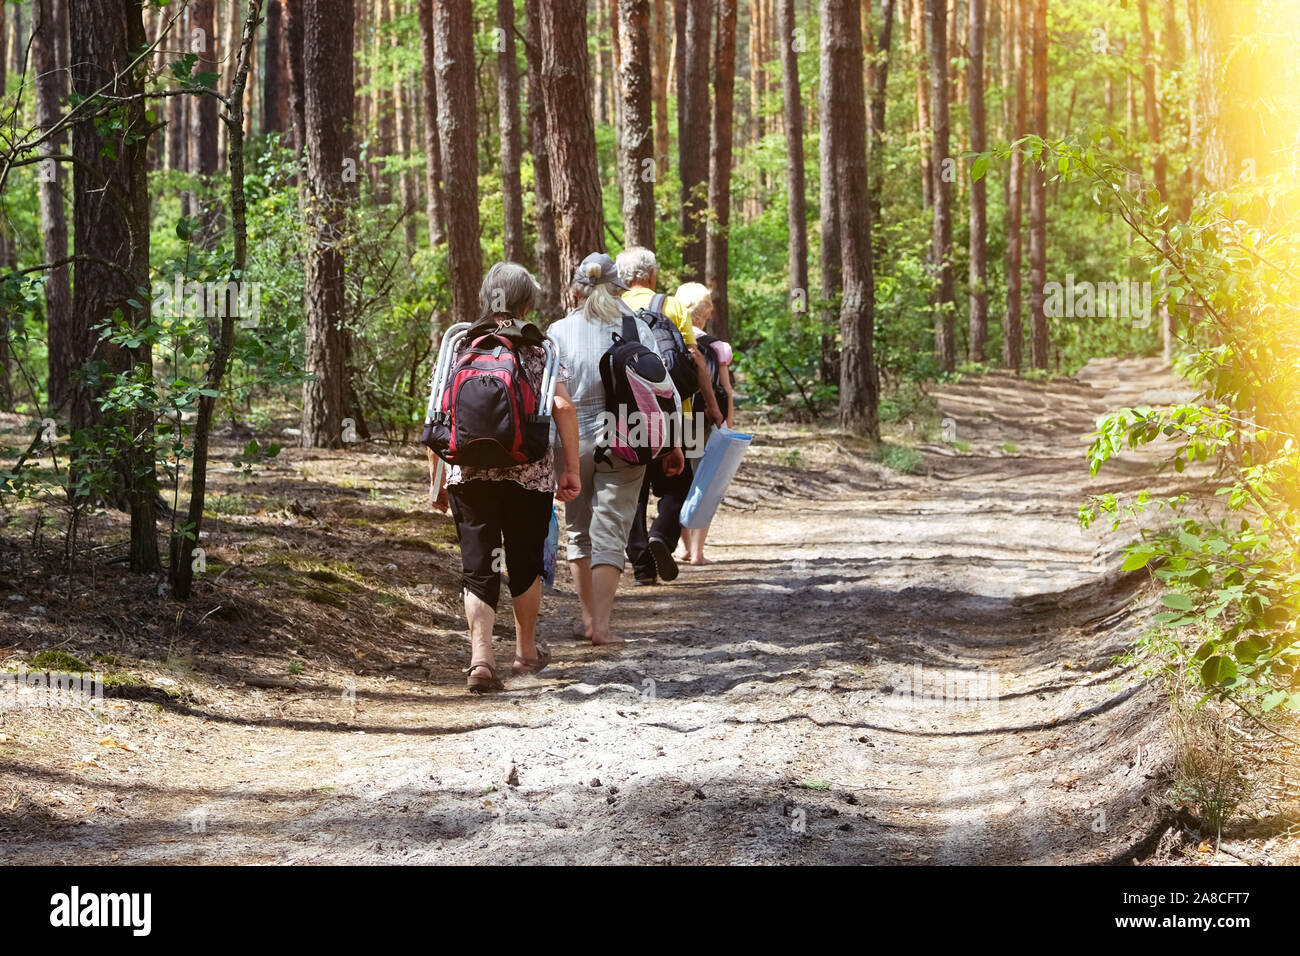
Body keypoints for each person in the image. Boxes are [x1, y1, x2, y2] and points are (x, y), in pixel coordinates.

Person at [436, 262, 582, 693]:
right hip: (529, 474)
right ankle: (524, 653)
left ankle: (481, 660)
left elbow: (439, 412)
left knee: (477, 566)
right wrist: (570, 469)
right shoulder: (541, 350)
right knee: (524, 563)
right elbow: (564, 408)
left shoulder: (459, 344)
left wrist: (439, 478)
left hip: (468, 473)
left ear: (486, 298)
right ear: (527, 303)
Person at [547, 252, 686, 644]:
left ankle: (587, 618)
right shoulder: (635, 327)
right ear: (617, 289)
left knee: (579, 531)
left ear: (576, 288)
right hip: (628, 439)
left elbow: (550, 398)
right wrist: (671, 444)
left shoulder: (557, 332)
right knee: (611, 529)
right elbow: (664, 392)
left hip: (571, 442)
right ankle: (601, 627)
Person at [615, 247, 724, 585]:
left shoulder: (612, 307)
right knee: (679, 483)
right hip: (677, 412)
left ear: (623, 277)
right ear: (651, 275)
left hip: (625, 414)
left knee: (634, 488)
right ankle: (661, 535)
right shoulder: (670, 305)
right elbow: (693, 357)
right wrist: (713, 405)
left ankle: (642, 567)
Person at [672, 281, 736, 566]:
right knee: (705, 483)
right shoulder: (718, 348)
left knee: (681, 481)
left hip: (678, 419)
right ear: (706, 312)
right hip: (707, 421)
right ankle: (698, 552)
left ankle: (683, 548)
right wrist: (728, 423)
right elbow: (726, 389)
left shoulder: (670, 339)